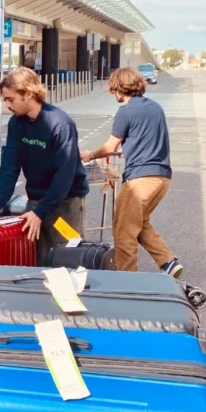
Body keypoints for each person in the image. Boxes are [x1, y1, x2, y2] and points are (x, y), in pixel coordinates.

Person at [81, 67, 183, 276]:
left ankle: (127, 280)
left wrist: (90, 155)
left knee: (123, 230)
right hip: (162, 178)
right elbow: (146, 141)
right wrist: (126, 151)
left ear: (119, 88)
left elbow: (110, 146)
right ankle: (168, 262)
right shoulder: (155, 108)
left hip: (140, 180)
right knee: (139, 223)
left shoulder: (125, 111)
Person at [0, 67, 89, 264]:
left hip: (65, 202)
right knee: (37, 260)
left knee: (67, 259)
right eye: (5, 99)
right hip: (35, 200)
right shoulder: (17, 123)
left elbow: (64, 176)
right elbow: (10, 165)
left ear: (29, 94)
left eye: (10, 99)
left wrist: (40, 211)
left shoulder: (60, 124)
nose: (7, 105)